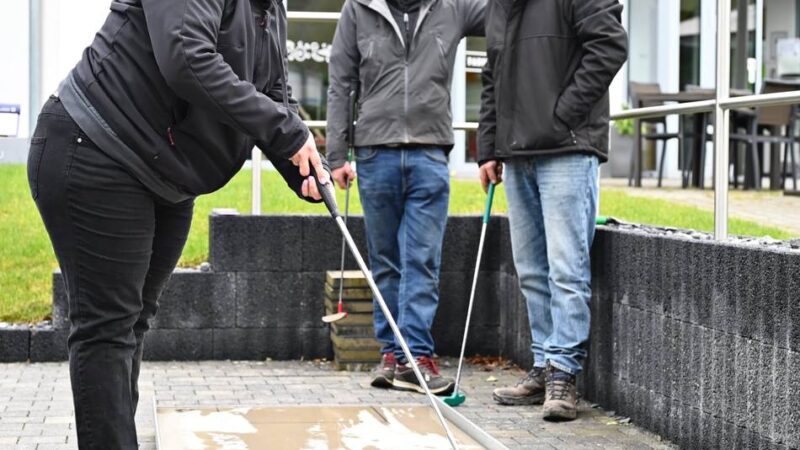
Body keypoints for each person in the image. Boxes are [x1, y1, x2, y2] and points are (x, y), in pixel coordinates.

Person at [27, 1, 330, 448]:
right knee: (107, 329)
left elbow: (272, 88)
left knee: (132, 324)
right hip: (96, 146)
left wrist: (300, 163)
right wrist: (284, 129)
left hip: (165, 171)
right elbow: (187, 56)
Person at [478, 0, 628, 420]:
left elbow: (610, 46)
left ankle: (564, 372)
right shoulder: (498, 5)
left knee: (566, 268)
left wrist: (563, 115)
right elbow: (492, 76)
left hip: (567, 149)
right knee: (530, 269)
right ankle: (544, 365)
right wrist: (488, 148)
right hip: (517, 153)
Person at [326, 0, 485, 395]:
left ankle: (413, 356)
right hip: (374, 152)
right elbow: (341, 81)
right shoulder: (358, 9)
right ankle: (392, 354)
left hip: (430, 153)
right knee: (385, 262)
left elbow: (505, 13)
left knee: (422, 260)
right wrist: (337, 156)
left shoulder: (453, 7)